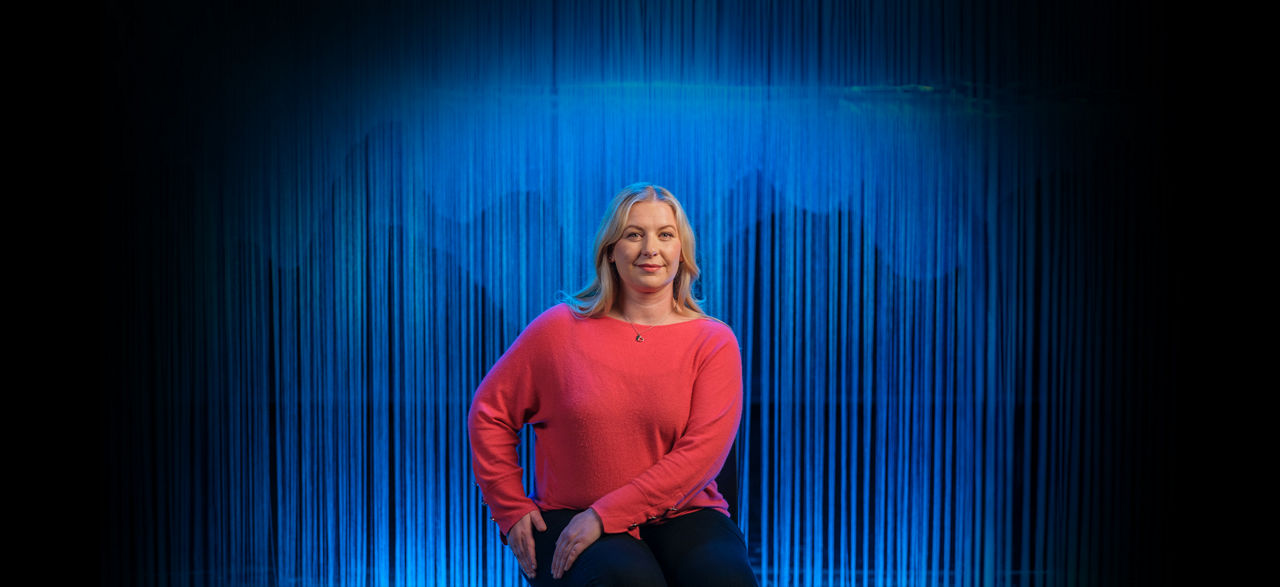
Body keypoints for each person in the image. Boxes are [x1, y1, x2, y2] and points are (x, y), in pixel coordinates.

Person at [468, 183, 759, 586]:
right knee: (628, 580)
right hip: (571, 515)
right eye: (634, 234)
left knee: (724, 579)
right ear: (610, 250)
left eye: (665, 234)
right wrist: (510, 507)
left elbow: (701, 455)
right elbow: (489, 414)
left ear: (682, 251)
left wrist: (606, 515)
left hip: (684, 513)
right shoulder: (558, 329)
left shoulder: (713, 342)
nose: (650, 249)